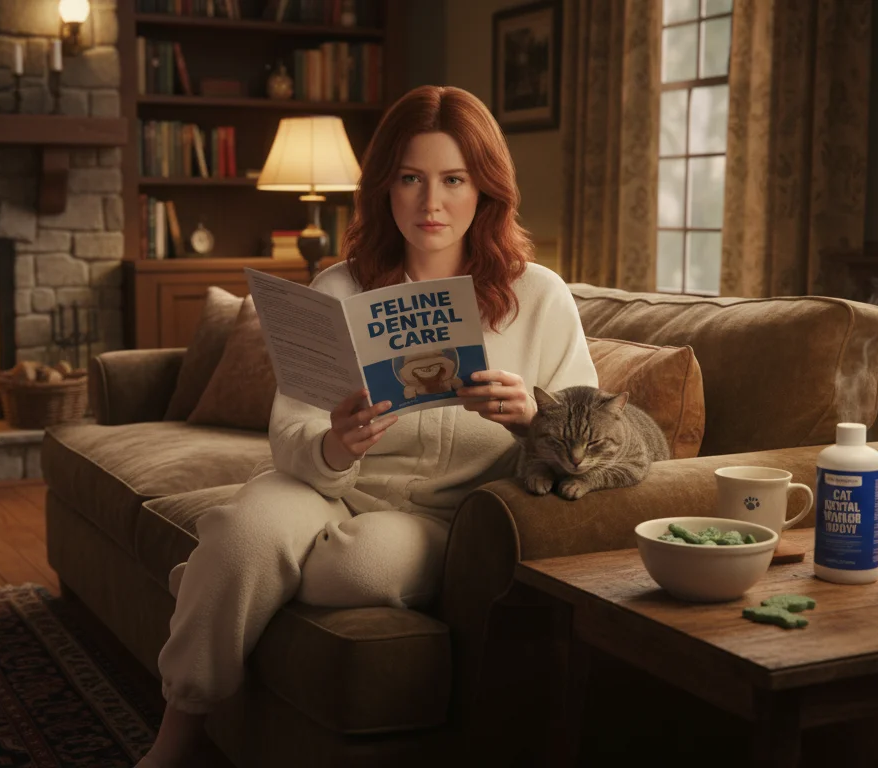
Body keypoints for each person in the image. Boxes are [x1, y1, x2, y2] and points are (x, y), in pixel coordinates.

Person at [137, 85, 598, 768]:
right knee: (244, 535)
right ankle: (178, 735)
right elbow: (287, 429)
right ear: (384, 187)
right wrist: (333, 441)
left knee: (357, 565)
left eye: (453, 180)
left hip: (439, 517)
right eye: (410, 179)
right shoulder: (341, 287)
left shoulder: (541, 297)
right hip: (321, 486)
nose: (430, 203)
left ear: (486, 189)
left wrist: (533, 418)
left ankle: (219, 582)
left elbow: (589, 431)